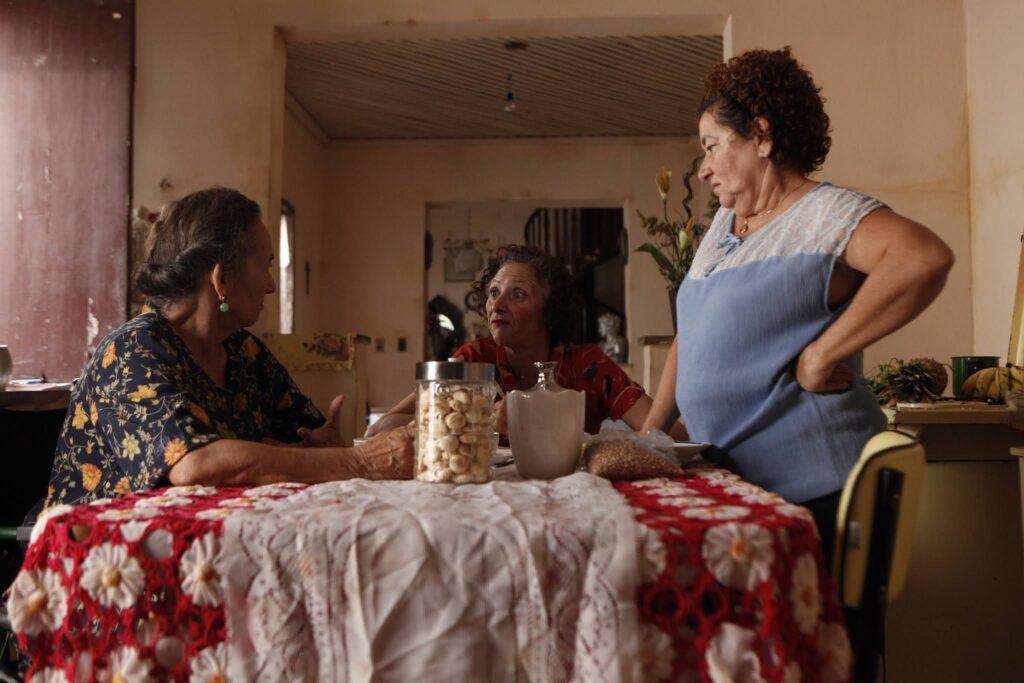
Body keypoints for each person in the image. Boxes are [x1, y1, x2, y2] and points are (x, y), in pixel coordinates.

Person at [642, 47, 954, 560]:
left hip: (820, 493)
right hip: (744, 491)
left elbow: (922, 258)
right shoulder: (723, 225)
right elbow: (691, 335)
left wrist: (821, 354)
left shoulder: (824, 213)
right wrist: (650, 436)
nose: (703, 169)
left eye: (712, 146)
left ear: (761, 136)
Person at [45, 187, 414, 507]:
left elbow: (306, 442)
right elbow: (196, 465)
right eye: (265, 267)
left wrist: (327, 448)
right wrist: (358, 462)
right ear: (222, 279)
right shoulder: (131, 352)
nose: (271, 285)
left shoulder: (243, 351)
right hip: (104, 550)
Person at [368, 245, 681, 438]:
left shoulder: (588, 365)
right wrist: (480, 417)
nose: (496, 304)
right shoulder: (473, 361)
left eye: (517, 295)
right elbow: (383, 427)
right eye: (493, 293)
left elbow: (665, 431)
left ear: (550, 310)